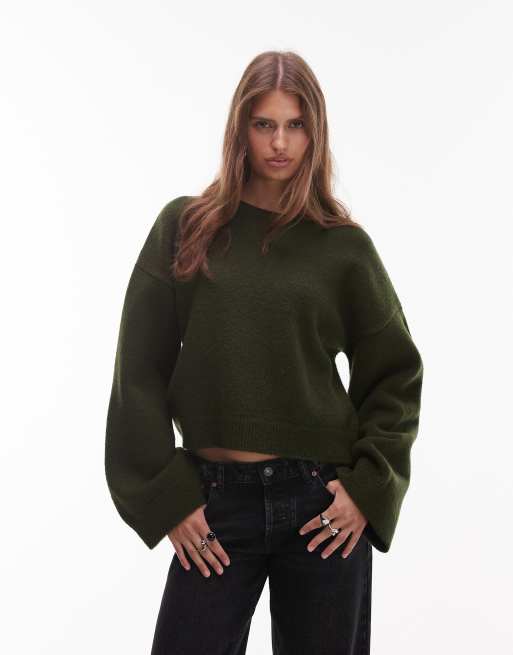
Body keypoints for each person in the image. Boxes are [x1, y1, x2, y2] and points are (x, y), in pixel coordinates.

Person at [104, 50, 424, 655]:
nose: (280, 142)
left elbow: (396, 374)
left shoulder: (342, 247)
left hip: (320, 508)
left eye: (296, 125)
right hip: (215, 504)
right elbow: (138, 371)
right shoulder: (186, 227)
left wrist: (367, 488)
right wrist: (167, 497)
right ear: (240, 129)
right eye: (264, 124)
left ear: (315, 132)